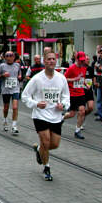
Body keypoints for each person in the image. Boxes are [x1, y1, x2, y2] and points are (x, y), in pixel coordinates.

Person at [22, 51, 70, 181]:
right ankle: (46, 167)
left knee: (54, 144)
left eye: (53, 59)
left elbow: (66, 96)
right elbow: (25, 96)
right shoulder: (37, 78)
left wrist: (63, 105)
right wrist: (36, 104)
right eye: (48, 59)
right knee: (46, 141)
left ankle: (39, 150)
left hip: (56, 116)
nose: (51, 61)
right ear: (44, 61)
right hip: (40, 115)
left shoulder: (61, 78)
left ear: (56, 61)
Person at [0, 51, 21, 134]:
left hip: (15, 89)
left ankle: (14, 126)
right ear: (5, 57)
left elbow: (19, 75)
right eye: (7, 56)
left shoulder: (17, 65)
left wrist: (20, 76)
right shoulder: (2, 66)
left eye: (11, 55)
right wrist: (3, 75)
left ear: (14, 57)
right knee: (6, 107)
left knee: (15, 107)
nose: (9, 57)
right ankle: (5, 120)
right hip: (6, 89)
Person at [63, 51, 87, 139]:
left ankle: (77, 130)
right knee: (72, 114)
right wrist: (74, 79)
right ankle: (61, 119)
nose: (82, 62)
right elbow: (64, 79)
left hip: (81, 92)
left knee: (82, 111)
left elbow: (81, 78)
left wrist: (85, 84)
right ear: (77, 59)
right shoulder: (72, 68)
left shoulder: (84, 68)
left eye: (83, 60)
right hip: (72, 93)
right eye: (81, 60)